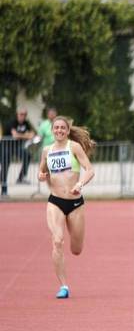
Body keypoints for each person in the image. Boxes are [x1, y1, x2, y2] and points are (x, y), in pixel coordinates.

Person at [37, 116, 95, 298]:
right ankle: (64, 286)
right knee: (57, 240)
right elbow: (42, 171)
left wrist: (80, 185)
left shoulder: (74, 147)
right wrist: (41, 175)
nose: (59, 130)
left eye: (63, 128)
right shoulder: (47, 150)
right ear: (52, 130)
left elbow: (90, 170)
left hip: (75, 202)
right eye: (56, 128)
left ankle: (75, 246)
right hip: (55, 202)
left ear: (68, 131)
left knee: (76, 249)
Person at [2, 107, 37, 192]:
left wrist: (25, 135)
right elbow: (15, 135)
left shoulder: (26, 123)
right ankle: (4, 190)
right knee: (5, 166)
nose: (23, 116)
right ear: (17, 114)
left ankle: (21, 178)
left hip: (17, 147)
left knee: (27, 156)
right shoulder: (12, 122)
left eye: (25, 114)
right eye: (21, 114)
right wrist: (26, 136)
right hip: (6, 146)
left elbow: (33, 134)